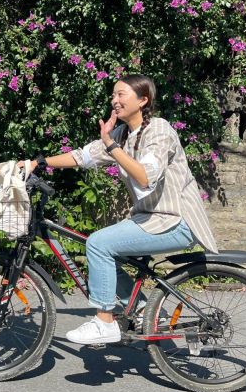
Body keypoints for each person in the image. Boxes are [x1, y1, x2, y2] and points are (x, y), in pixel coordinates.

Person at [24, 74, 218, 345]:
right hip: (148, 219)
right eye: (113, 95)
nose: (114, 101)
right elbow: (83, 156)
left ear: (143, 100)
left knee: (99, 244)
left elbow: (145, 176)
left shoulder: (159, 130)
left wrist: (112, 145)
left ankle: (104, 322)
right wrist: (38, 163)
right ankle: (141, 310)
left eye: (121, 95)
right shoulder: (124, 134)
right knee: (106, 252)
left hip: (175, 221)